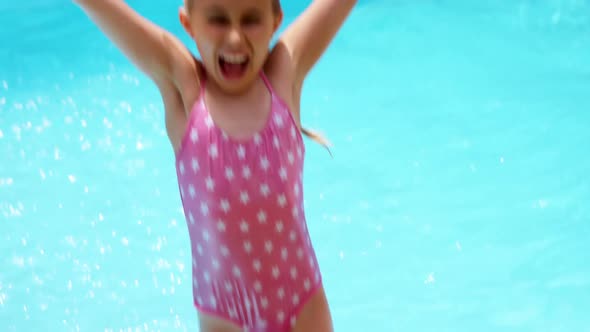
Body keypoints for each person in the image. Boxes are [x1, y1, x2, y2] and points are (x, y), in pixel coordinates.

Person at [73, 0, 357, 331]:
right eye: (217, 20)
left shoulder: (283, 74)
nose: (235, 38)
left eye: (251, 19)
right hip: (225, 319)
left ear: (275, 20)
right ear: (188, 22)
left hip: (303, 309)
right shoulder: (186, 89)